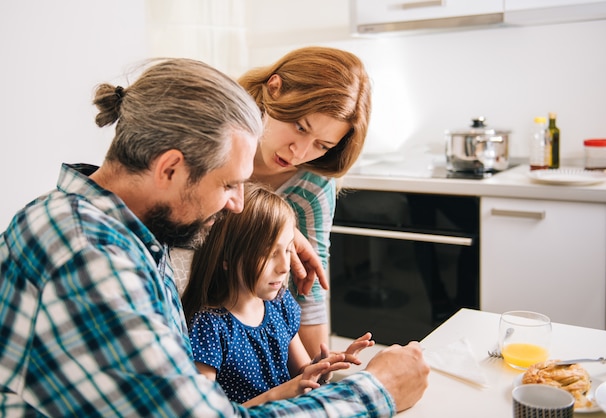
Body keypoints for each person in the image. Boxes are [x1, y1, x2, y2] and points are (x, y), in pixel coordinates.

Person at [0, 57, 429, 416]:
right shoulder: (93, 260)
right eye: (229, 185)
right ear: (170, 168)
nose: (237, 206)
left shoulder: (107, 227)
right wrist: (379, 388)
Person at [171, 46, 372, 357]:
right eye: (300, 127)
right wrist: (281, 226)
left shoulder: (313, 184)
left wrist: (320, 371)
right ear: (274, 89)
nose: (299, 152)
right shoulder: (213, 132)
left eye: (322, 144)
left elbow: (309, 288)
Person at [182, 183, 374, 405]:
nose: (284, 267)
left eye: (287, 250)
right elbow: (206, 412)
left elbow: (300, 374)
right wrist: (280, 393)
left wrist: (321, 368)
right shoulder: (208, 325)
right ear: (227, 258)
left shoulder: (280, 302)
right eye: (269, 253)